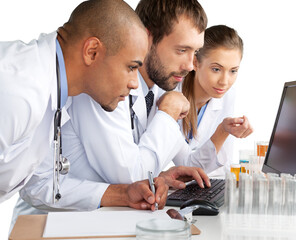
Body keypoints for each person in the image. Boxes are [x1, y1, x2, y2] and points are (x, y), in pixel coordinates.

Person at [9, 0, 210, 228]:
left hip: (86, 216)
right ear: (146, 37)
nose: (191, 65)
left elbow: (45, 182)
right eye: (181, 50)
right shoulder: (98, 82)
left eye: (195, 52)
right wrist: (167, 115)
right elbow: (129, 174)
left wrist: (152, 181)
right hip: (48, 223)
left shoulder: (155, 88)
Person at [172, 25, 254, 175]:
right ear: (196, 63)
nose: (224, 81)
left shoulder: (227, 95)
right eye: (216, 69)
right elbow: (186, 166)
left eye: (233, 71)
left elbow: (223, 165)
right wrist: (223, 131)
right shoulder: (171, 93)